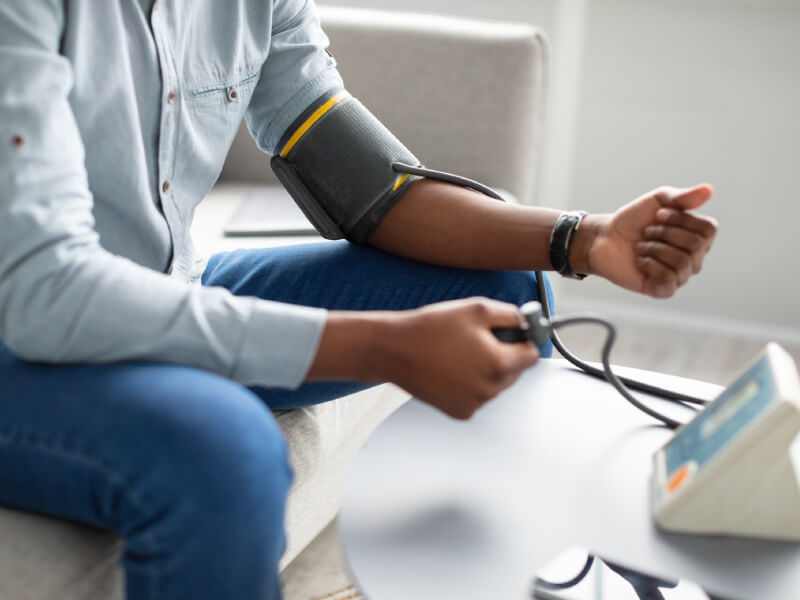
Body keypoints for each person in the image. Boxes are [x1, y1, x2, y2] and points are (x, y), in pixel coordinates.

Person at [0, 1, 717, 598]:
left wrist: (585, 241)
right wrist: (384, 345)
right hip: (23, 331)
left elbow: (372, 188)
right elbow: (46, 292)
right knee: (227, 454)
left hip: (160, 287)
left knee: (505, 286)